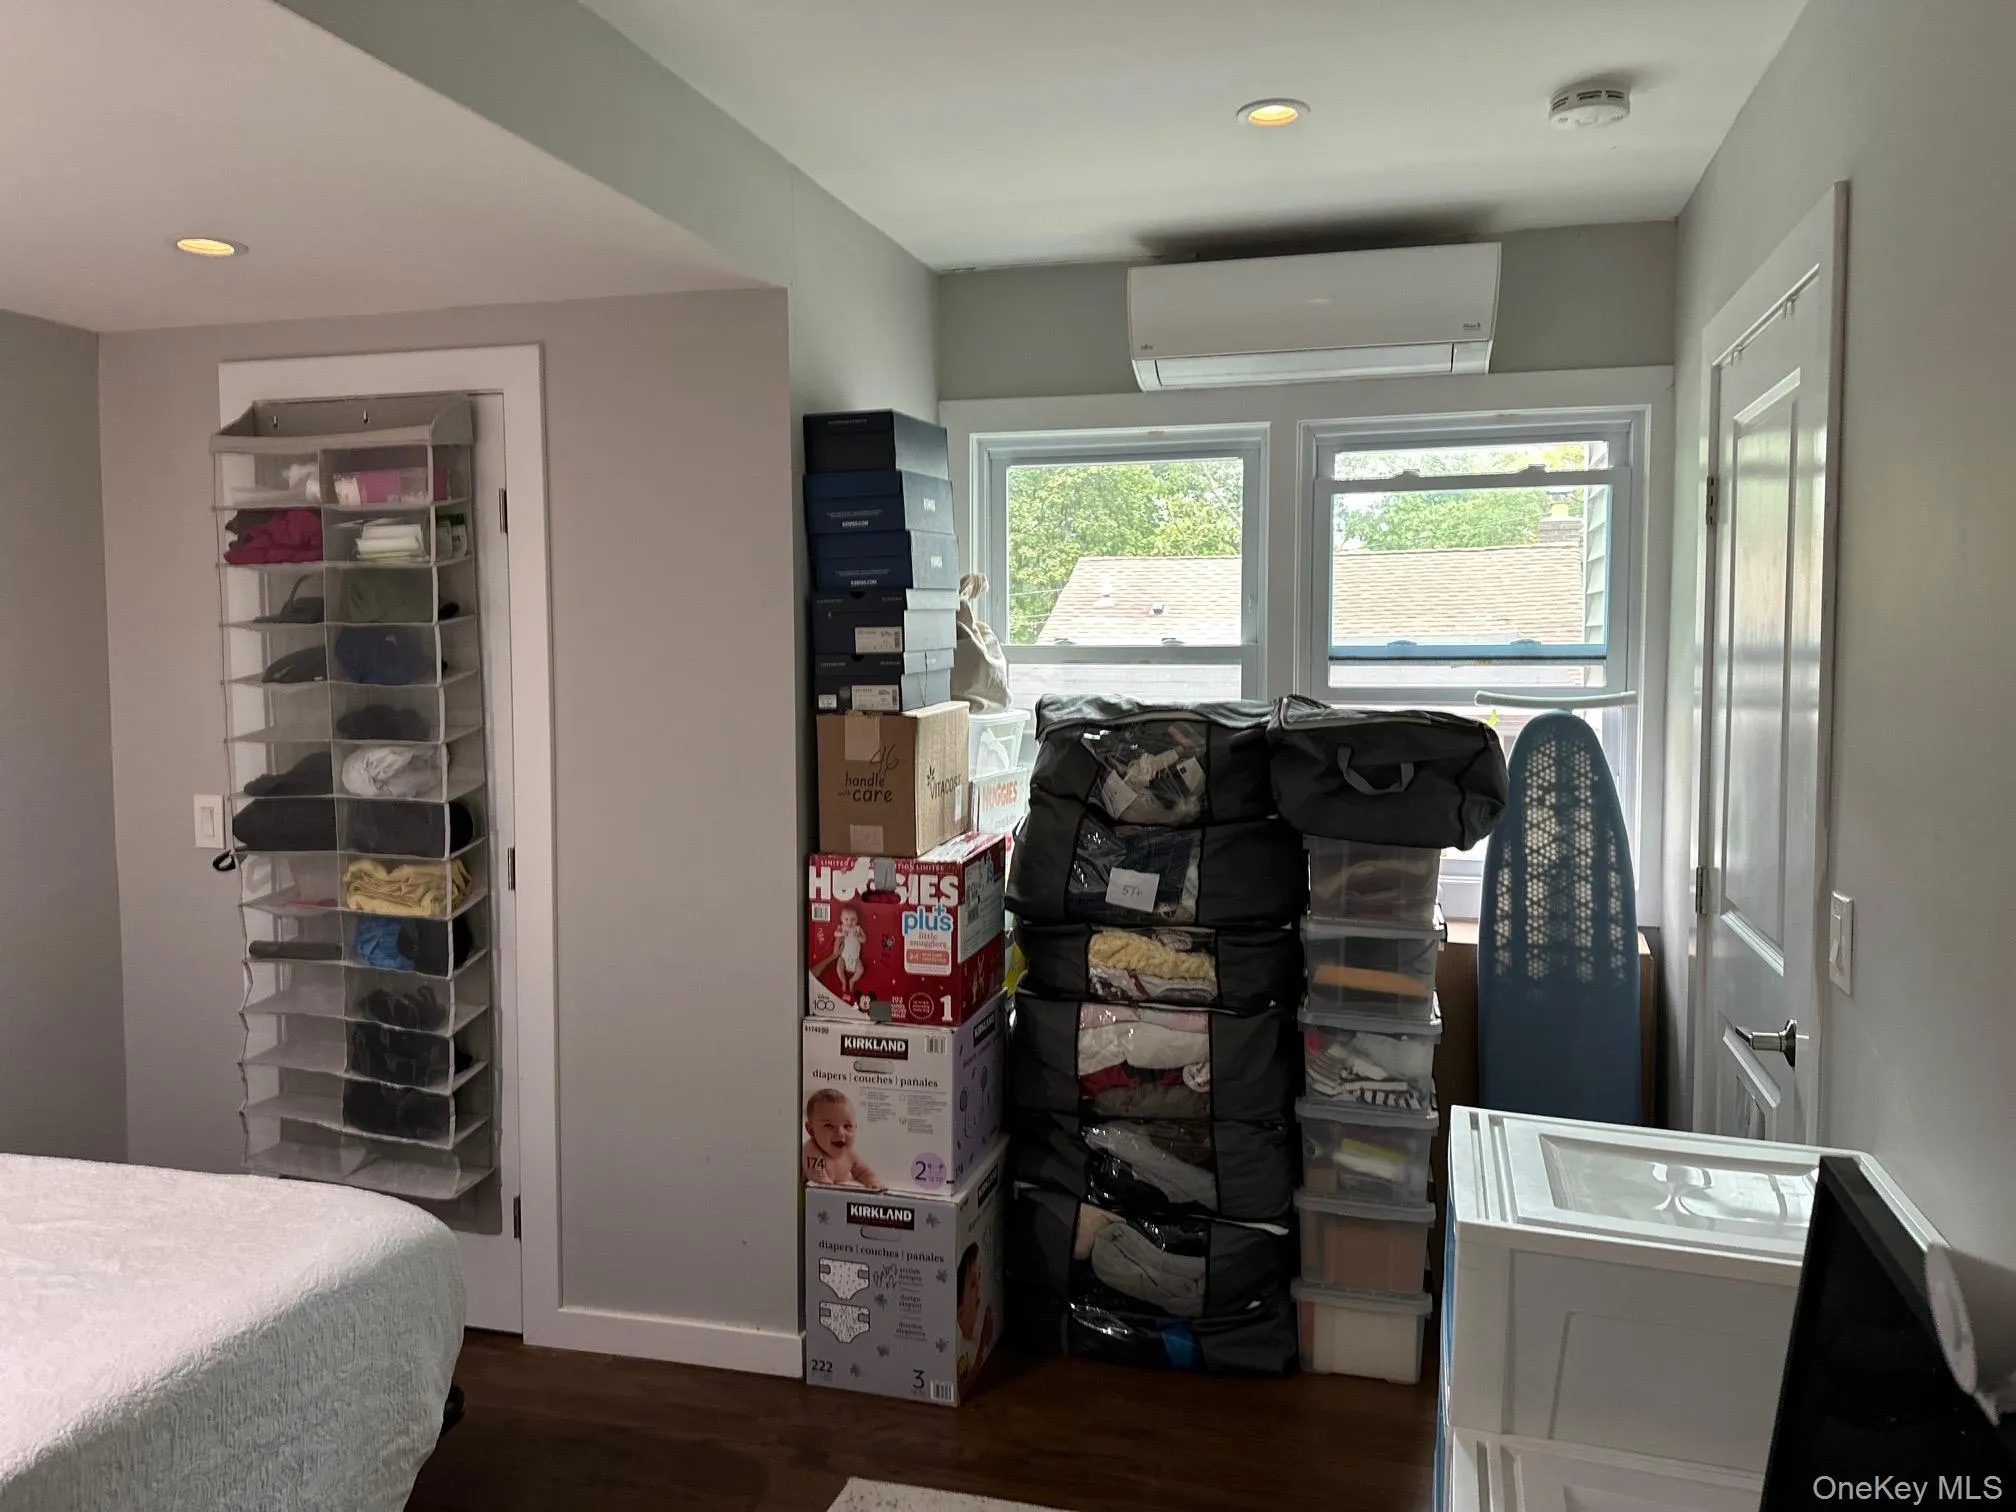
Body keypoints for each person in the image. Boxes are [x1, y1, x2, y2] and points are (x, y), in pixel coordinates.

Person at [802, 1088, 877, 1188]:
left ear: (855, 1128)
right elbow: (820, 1182)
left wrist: (873, 1182)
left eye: (847, 1126)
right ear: (811, 1130)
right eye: (829, 1125)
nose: (841, 1133)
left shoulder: (850, 1155)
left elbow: (864, 1172)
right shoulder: (812, 1151)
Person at [954, 1241, 996, 1390]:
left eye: (980, 1276)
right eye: (972, 1284)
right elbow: (962, 1385)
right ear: (959, 1312)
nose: (978, 1287)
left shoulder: (977, 1334)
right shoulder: (960, 1348)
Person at [811, 904, 870, 1004]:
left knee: (860, 969)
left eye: (853, 919)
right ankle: (843, 981)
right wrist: (841, 934)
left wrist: (859, 937)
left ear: (857, 919)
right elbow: (835, 934)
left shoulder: (858, 929)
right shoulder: (841, 927)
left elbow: (864, 940)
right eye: (846, 919)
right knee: (839, 968)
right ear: (841, 919)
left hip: (855, 958)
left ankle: (852, 980)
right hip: (842, 956)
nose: (850, 922)